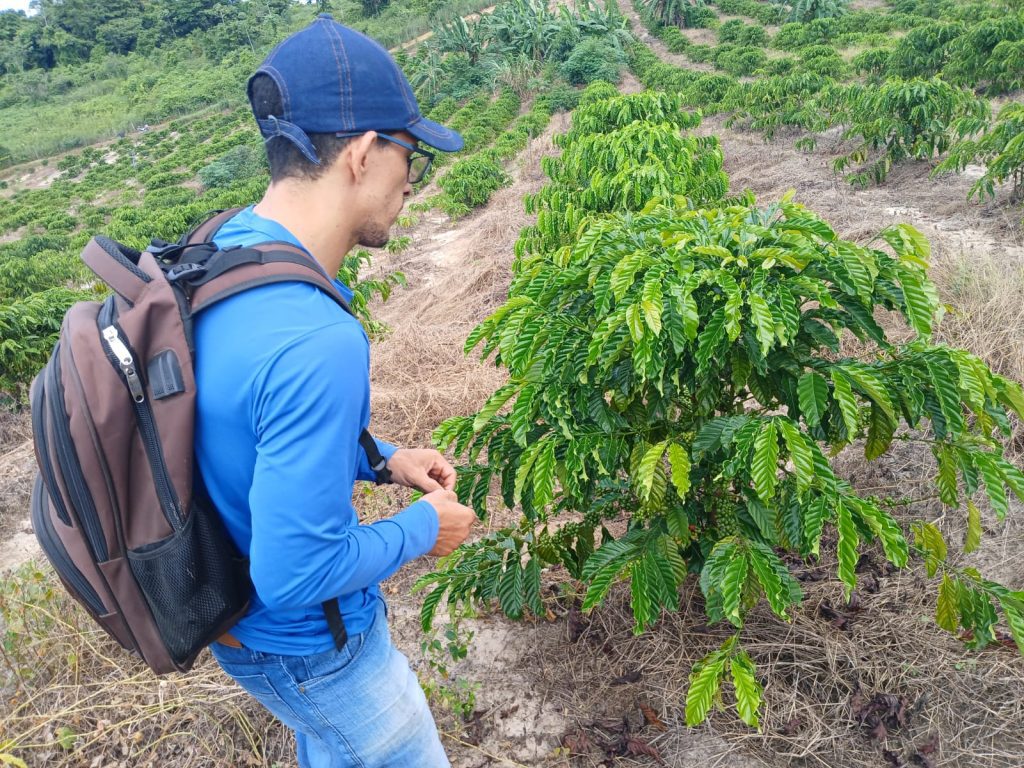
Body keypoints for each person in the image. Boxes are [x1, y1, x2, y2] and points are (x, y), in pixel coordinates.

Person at [192, 15, 477, 767]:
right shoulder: (317, 340)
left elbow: (249, 422)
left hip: (240, 632)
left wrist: (384, 460)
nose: (412, 179)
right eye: (408, 153)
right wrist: (426, 527)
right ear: (361, 154)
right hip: (316, 652)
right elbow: (296, 574)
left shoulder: (224, 247)